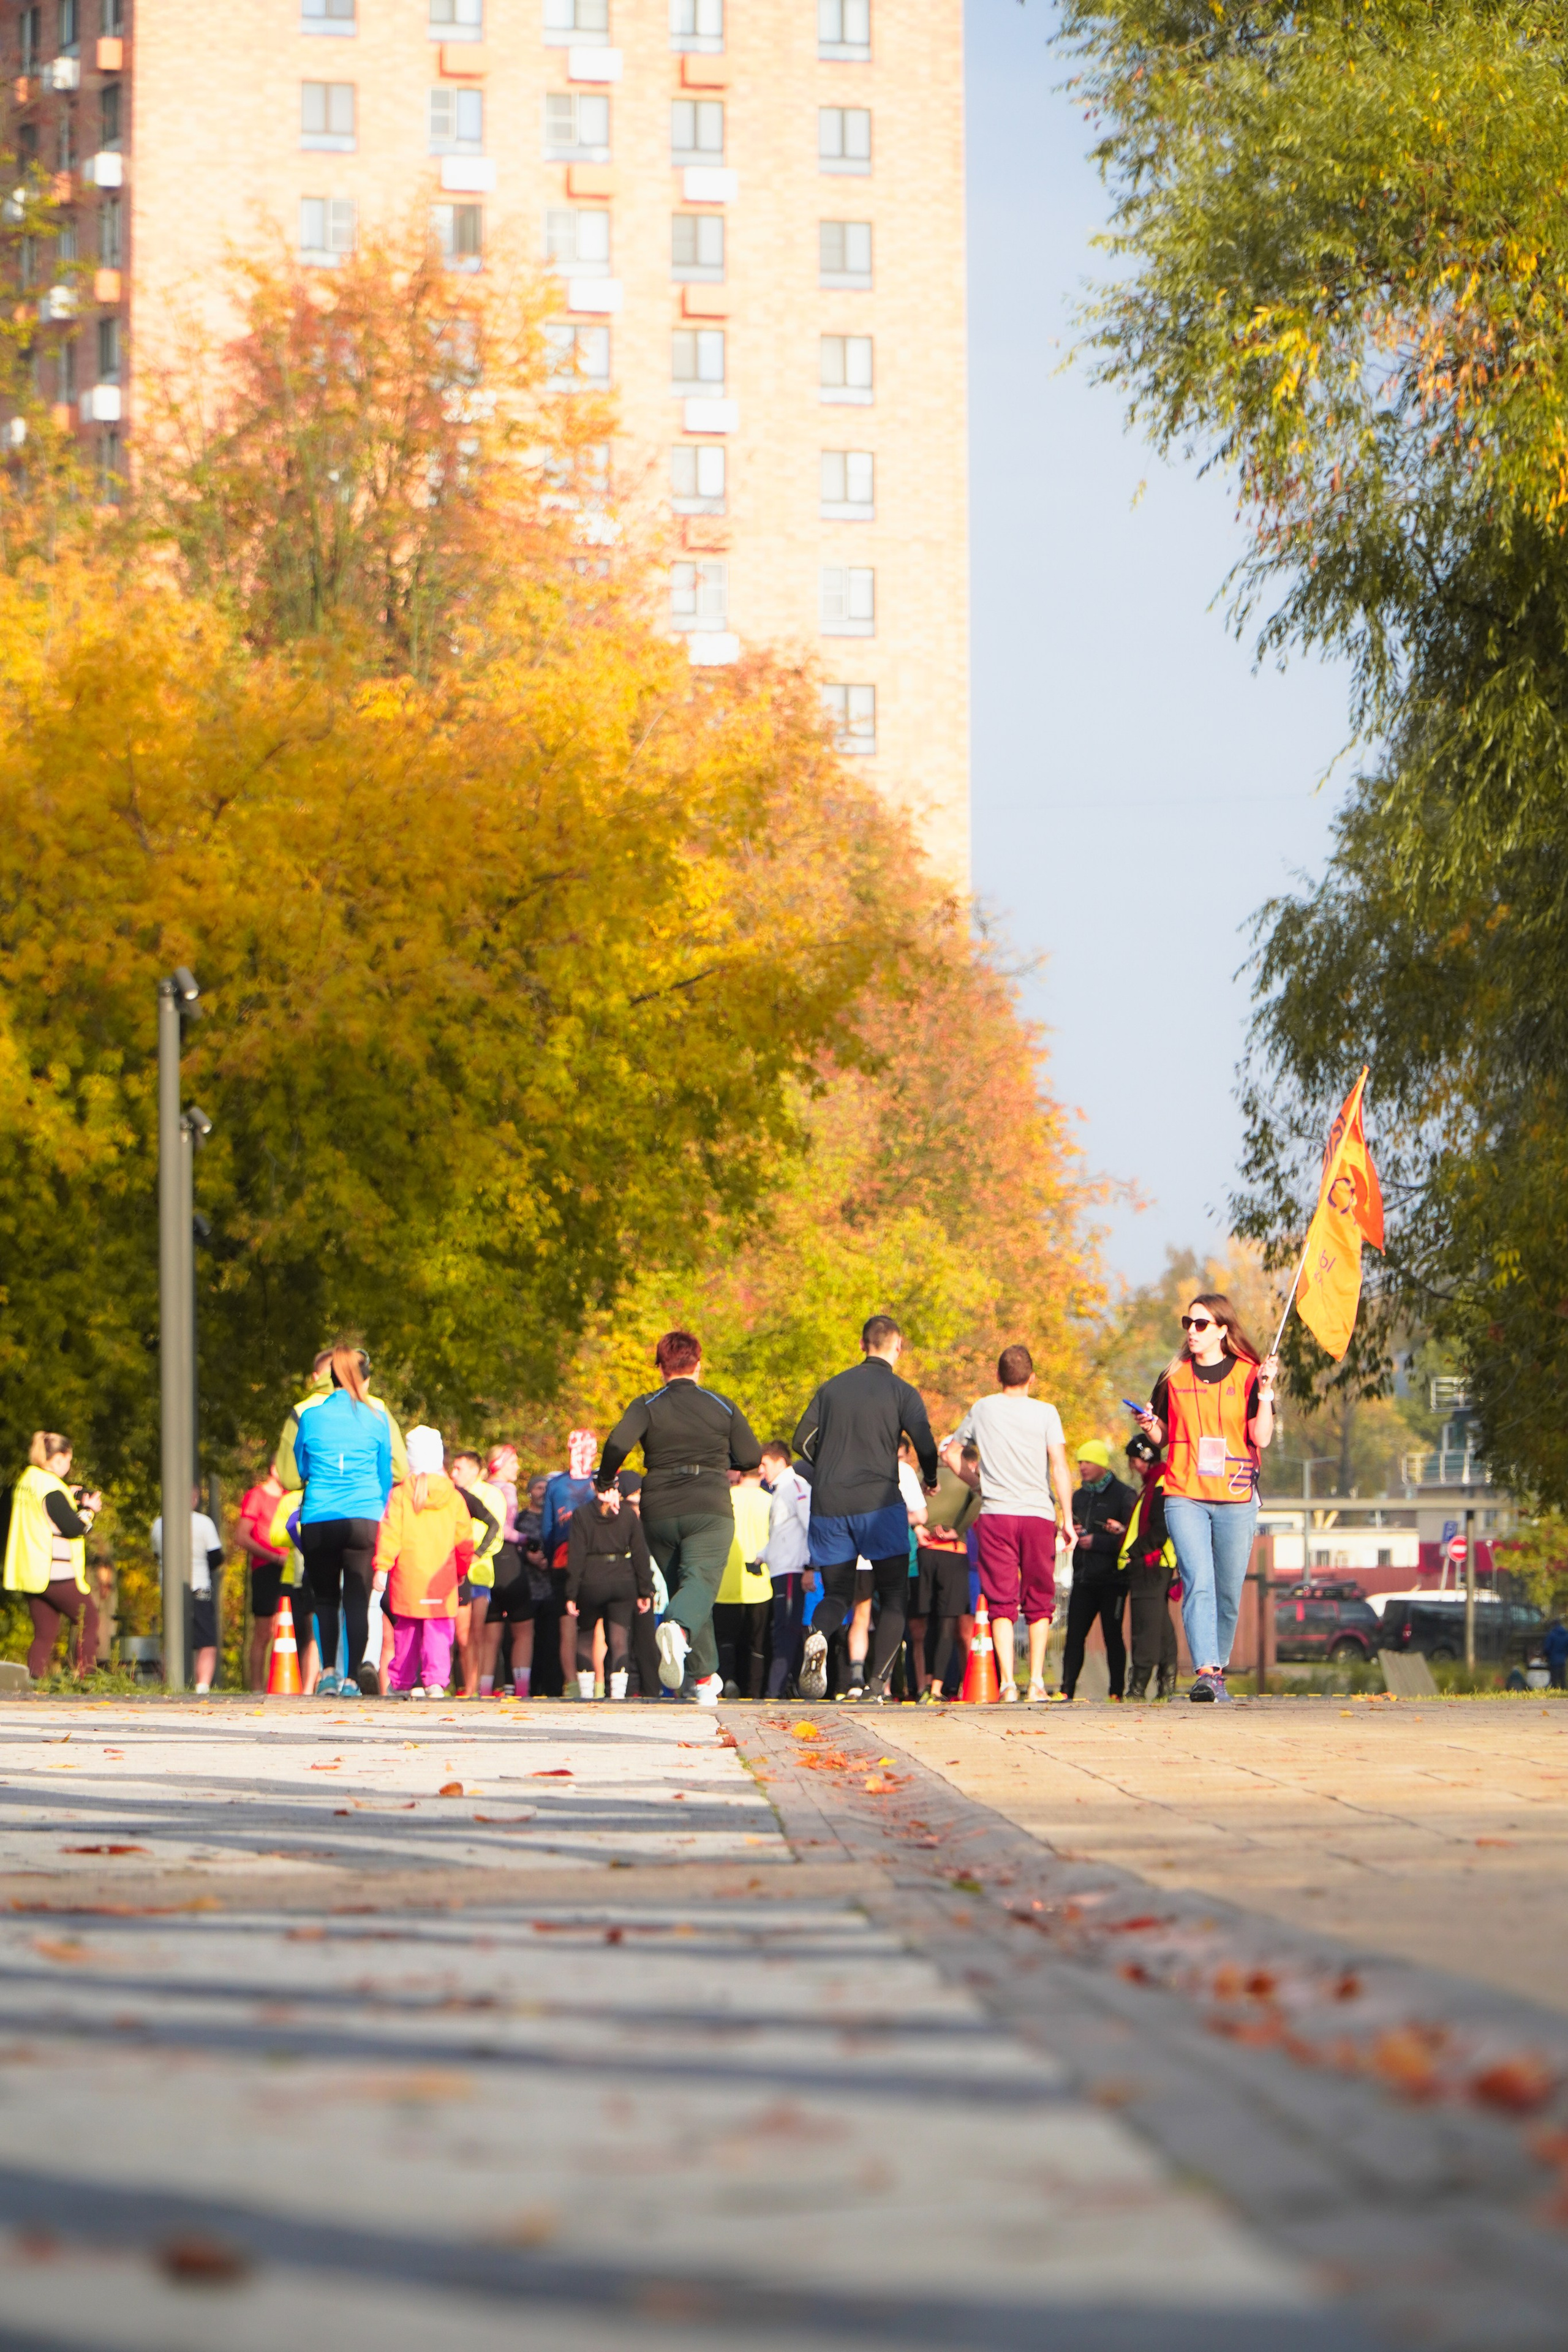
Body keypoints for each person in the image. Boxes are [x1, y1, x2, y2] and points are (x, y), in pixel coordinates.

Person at [597, 1330, 763, 1705]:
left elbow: (618, 1443)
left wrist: (605, 1480)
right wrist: (722, 1461)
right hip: (709, 1508)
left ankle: (704, 1681)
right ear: (699, 1364)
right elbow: (752, 1456)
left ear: (661, 1368)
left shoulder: (647, 1405)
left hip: (659, 1511)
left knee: (689, 1590)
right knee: (699, 1586)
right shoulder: (722, 1405)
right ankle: (676, 1627)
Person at [1134, 1292, 1278, 1702]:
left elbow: (1262, 1437)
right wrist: (1149, 1427)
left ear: (1222, 1330)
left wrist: (1266, 1393)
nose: (1192, 1332)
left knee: (1227, 1589)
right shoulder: (1173, 1376)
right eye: (1188, 1323)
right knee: (1198, 1581)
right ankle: (1206, 1674)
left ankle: (1218, 1668)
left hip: (1235, 1495)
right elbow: (1163, 1438)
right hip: (1185, 1493)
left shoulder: (1250, 1375)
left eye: (1200, 1324)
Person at [792, 1314, 938, 1705]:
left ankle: (818, 1635)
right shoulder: (901, 1391)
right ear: (898, 1347)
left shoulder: (832, 1389)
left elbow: (801, 1441)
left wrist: (827, 1469)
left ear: (862, 1345)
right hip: (879, 1505)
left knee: (837, 1592)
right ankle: (875, 1686)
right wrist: (932, 1476)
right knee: (893, 1595)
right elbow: (924, 1441)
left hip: (830, 1505)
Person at [954, 1344, 1076, 1703]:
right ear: (1032, 1378)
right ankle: (1036, 1681)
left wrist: (977, 1483)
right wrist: (1067, 1517)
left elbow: (950, 1452)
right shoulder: (1046, 1412)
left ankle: (1007, 1682)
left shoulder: (983, 1408)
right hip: (1037, 1514)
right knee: (1040, 1598)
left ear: (998, 1376)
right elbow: (1059, 1465)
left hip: (996, 1514)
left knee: (1000, 1598)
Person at [294, 1343, 395, 1697]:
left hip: (320, 1515)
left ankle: (328, 1674)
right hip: (362, 1516)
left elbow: (300, 1469)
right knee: (356, 1597)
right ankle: (353, 1678)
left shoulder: (310, 1417)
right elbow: (386, 1474)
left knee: (325, 1599)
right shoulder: (376, 1419)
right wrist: (373, 1506)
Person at [371, 1427, 472, 1696]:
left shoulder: (402, 1495)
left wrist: (383, 1566)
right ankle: (436, 1681)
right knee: (439, 1630)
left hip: (409, 1577)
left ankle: (403, 1683)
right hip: (441, 1579)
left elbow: (390, 1533)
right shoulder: (454, 1497)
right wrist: (461, 1570)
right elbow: (464, 1541)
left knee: (407, 1631)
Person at [4, 1433, 102, 1683]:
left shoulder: (26, 1481)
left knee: (45, 1632)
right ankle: (87, 1680)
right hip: (54, 1572)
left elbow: (40, 1514)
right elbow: (73, 1529)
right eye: (68, 1460)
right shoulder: (51, 1489)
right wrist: (89, 1510)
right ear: (58, 1459)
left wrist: (67, 1495)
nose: (69, 1466)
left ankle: (31, 1683)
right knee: (88, 1620)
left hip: (29, 1572)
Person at [1061, 1439, 1137, 1702]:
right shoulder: (1078, 1496)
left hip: (1113, 1580)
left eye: (1088, 1462)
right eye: (1080, 1462)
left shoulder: (1124, 1494)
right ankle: (1066, 1690)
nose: (1082, 1467)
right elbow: (1070, 1527)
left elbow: (1132, 1538)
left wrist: (1098, 1542)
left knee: (1112, 1636)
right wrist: (1073, 1533)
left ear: (1102, 1465)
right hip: (1083, 1578)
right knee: (1074, 1637)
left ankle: (1116, 1691)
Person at [565, 1479, 654, 1700]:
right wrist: (645, 1590)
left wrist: (571, 1593)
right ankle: (617, 1695)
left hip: (591, 1580)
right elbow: (641, 1554)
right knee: (619, 1638)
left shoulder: (582, 1515)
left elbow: (575, 1557)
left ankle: (585, 1694)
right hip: (623, 1580)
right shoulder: (627, 1514)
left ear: (594, 1487)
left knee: (585, 1637)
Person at [273, 1344, 407, 1488]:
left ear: (317, 1376)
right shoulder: (377, 1409)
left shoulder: (303, 1413)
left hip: (319, 1503)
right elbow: (400, 1470)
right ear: (364, 1379)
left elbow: (290, 1479)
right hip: (365, 1502)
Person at [913, 1441, 983, 1702]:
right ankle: (937, 1689)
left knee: (927, 1622)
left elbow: (904, 1500)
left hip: (925, 1552)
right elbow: (980, 1500)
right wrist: (960, 1529)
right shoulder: (966, 1481)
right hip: (954, 1554)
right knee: (946, 1623)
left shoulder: (922, 1476)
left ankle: (925, 1685)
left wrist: (918, 1528)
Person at [1120, 1431, 1180, 1700]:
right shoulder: (1158, 1481)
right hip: (1157, 1563)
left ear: (1143, 1458)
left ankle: (1138, 1686)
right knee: (1161, 1626)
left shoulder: (1159, 1484)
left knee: (1145, 1626)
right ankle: (1167, 1685)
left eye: (1134, 1460)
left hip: (1152, 1564)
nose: (1132, 1466)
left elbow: (1160, 1528)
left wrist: (1135, 1552)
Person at [150, 1488, 224, 1693]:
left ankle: (170, 1683)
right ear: (193, 1498)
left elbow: (157, 1555)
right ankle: (202, 1686)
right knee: (207, 1641)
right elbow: (216, 1556)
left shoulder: (159, 1524)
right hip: (199, 1587)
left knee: (173, 1639)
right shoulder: (203, 1523)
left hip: (169, 1590)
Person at [541, 1431, 598, 1694]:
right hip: (594, 1559)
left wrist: (548, 1553)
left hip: (563, 1559)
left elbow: (548, 1530)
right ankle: (598, 1684)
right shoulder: (600, 1483)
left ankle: (573, 1684)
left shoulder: (555, 1486)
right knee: (595, 1626)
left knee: (568, 1624)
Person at [713, 1462, 774, 1699]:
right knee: (757, 1644)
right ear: (760, 1471)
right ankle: (754, 1691)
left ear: (738, 1473)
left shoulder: (725, 1498)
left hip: (725, 1581)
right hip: (760, 1583)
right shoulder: (769, 1501)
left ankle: (727, 1680)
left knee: (725, 1640)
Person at [761, 1441, 813, 1698]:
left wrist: (810, 1566)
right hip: (780, 1570)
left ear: (781, 1463)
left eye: (765, 1464)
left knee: (787, 1630)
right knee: (781, 1628)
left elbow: (809, 1525)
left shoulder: (796, 1487)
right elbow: (782, 1532)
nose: (762, 1470)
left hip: (793, 1570)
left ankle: (776, 1689)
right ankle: (787, 1687)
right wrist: (761, 1557)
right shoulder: (781, 1491)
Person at [448, 1453, 503, 1696]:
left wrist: (477, 1553)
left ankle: (475, 1688)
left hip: (478, 1573)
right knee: (449, 1634)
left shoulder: (491, 1494)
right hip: (450, 1571)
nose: (454, 1473)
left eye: (459, 1469)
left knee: (473, 1634)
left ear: (474, 1470)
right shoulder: (450, 1493)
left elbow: (496, 1532)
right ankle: (449, 1686)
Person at [483, 1445, 535, 1698]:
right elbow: (505, 1529)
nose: (518, 1467)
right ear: (500, 1464)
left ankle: (482, 1688)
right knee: (523, 1629)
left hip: (484, 1564)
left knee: (490, 1633)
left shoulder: (480, 1489)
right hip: (507, 1560)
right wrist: (527, 1539)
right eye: (513, 1462)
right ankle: (521, 1690)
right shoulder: (507, 1490)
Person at [235, 1469, 290, 1692]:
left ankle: (285, 1683)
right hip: (266, 1568)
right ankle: (257, 1688)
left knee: (287, 1628)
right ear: (275, 1468)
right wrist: (274, 1557)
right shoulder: (257, 1496)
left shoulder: (291, 1496)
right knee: (263, 1631)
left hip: (290, 1569)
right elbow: (241, 1536)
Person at [1544, 1618, 1568, 1692]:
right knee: (1563, 1679)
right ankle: (1564, 1692)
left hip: (1553, 1660)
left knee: (1554, 1679)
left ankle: (1554, 1692)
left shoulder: (1552, 1634)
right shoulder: (1566, 1634)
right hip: (1563, 1660)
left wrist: (1547, 1655)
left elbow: (1547, 1648)